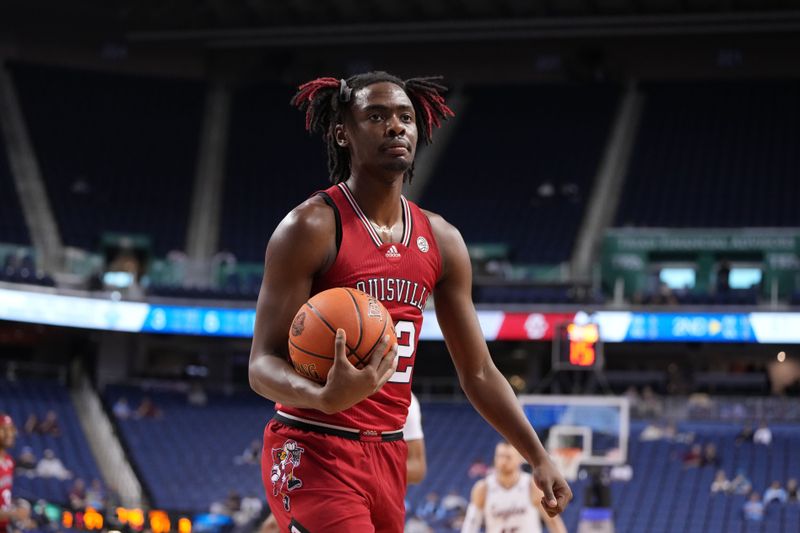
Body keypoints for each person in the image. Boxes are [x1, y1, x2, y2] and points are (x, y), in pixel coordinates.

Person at [248, 72, 571, 532]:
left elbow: (478, 371)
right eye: (376, 116)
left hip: (389, 454)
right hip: (313, 447)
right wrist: (322, 396)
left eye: (405, 117)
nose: (396, 127)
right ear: (343, 133)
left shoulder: (442, 239)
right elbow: (261, 365)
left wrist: (537, 456)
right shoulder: (311, 227)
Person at [261, 392, 428, 533]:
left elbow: (417, 467)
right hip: (322, 478)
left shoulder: (404, 399)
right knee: (271, 526)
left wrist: (360, 473)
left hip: (379, 493)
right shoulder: (321, 382)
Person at [461, 442, 568, 533]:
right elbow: (470, 525)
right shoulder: (483, 488)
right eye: (500, 456)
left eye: (508, 457)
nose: (503, 461)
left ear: (519, 459)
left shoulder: (532, 485)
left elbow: (553, 522)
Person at [0, 415, 30, 533]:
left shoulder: (9, 461)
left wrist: (18, 508)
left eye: (11, 429)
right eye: (4, 429)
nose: (10, 434)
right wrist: (14, 513)